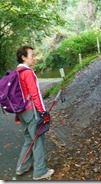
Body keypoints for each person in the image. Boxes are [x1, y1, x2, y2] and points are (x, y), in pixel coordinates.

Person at [14, 45, 54, 180]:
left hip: (22, 112)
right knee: (38, 140)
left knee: (28, 140)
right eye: (32, 55)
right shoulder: (27, 72)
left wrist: (18, 115)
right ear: (24, 57)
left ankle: (22, 166)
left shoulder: (16, 72)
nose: (34, 58)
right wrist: (43, 112)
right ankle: (40, 172)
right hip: (31, 112)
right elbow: (35, 94)